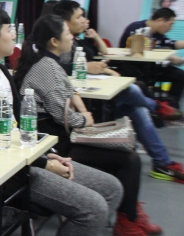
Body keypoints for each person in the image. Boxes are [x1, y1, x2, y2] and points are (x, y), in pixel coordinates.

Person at [0, 5, 123, 236]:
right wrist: (46, 164)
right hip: (9, 172)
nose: (14, 35)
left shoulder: (2, 72)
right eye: (8, 29)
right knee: (93, 208)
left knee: (112, 187)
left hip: (27, 159)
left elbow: (21, 128)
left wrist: (48, 154)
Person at [13, 14, 161, 235]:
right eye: (68, 34)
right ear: (54, 41)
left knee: (126, 154)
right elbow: (62, 115)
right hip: (54, 145)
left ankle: (128, 214)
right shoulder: (46, 67)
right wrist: (84, 119)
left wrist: (82, 111)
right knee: (128, 160)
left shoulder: (48, 61)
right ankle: (127, 219)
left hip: (58, 136)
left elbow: (68, 91)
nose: (72, 38)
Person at [53, 0, 184, 183]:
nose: (84, 20)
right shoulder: (58, 44)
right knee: (132, 90)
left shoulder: (78, 40)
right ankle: (157, 108)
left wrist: (103, 62)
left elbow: (101, 54)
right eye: (79, 17)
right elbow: (54, 67)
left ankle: (162, 162)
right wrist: (81, 67)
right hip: (83, 105)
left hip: (94, 95)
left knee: (137, 108)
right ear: (65, 21)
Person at [118, 7, 184, 105]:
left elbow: (172, 43)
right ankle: (157, 106)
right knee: (143, 83)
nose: (171, 28)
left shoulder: (157, 34)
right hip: (134, 69)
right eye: (170, 24)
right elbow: (139, 51)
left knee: (180, 75)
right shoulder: (136, 28)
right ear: (161, 21)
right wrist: (169, 57)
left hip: (152, 68)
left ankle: (172, 106)